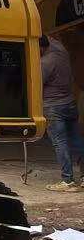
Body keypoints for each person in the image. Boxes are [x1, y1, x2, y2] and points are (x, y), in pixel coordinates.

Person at [40, 34, 84, 192]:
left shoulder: (44, 63)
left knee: (60, 143)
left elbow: (35, 85)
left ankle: (68, 180)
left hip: (53, 107)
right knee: (76, 140)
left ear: (41, 48)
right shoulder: (61, 49)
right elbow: (49, 38)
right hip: (70, 103)